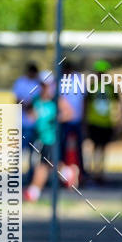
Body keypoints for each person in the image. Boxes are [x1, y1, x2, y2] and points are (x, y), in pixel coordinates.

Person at [23, 72, 78, 202]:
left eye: (47, 85)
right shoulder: (36, 99)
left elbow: (70, 113)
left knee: (43, 165)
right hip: (40, 137)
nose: (45, 88)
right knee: (49, 164)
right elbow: (30, 112)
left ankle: (34, 192)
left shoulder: (56, 100)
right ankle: (68, 172)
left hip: (51, 138)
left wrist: (56, 118)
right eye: (42, 85)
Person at [85, 59, 114, 183]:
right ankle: (94, 171)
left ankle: (99, 172)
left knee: (101, 149)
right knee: (96, 148)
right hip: (95, 121)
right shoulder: (93, 87)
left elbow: (117, 104)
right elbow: (85, 104)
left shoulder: (109, 87)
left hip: (105, 122)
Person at [58, 58, 86, 183]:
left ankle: (81, 174)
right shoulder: (60, 80)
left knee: (79, 149)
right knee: (62, 149)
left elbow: (83, 100)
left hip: (77, 120)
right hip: (64, 122)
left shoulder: (78, 79)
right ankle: (63, 176)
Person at [12, 62, 40, 183]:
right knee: (20, 149)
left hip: (35, 124)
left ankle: (31, 176)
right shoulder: (20, 82)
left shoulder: (38, 83)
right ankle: (14, 174)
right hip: (23, 123)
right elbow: (17, 100)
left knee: (33, 152)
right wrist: (27, 105)